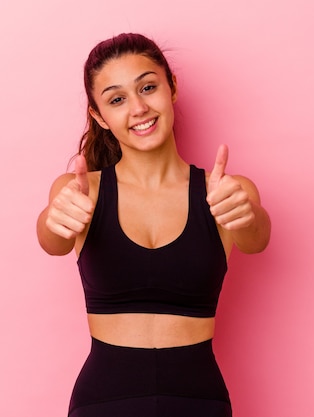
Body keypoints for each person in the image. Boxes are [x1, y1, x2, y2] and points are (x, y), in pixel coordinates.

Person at [36, 33, 271, 417]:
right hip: (105, 401)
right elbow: (52, 240)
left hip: (199, 401)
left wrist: (248, 214)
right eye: (117, 99)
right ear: (99, 116)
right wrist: (54, 219)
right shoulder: (80, 192)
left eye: (148, 87)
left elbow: (257, 237)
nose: (139, 108)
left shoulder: (225, 191)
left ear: (171, 87)